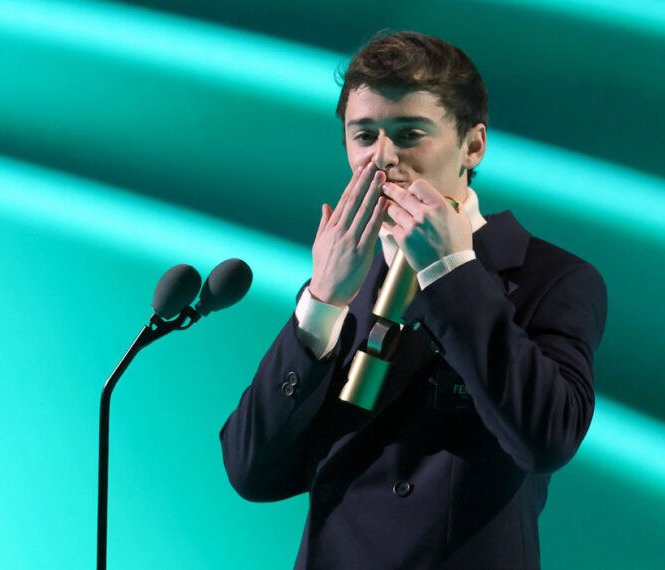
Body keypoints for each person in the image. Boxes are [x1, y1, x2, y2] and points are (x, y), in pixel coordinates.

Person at [220, 31, 607, 569]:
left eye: (409, 134)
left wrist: (450, 272)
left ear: (473, 146)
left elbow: (547, 440)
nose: (382, 159)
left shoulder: (551, 278)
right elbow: (250, 471)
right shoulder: (344, 278)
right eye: (364, 136)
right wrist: (324, 298)